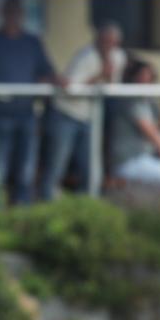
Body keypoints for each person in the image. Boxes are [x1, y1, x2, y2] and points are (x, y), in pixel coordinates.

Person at [0, 0, 58, 206]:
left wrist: (59, 81)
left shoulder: (33, 43)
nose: (13, 17)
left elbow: (46, 72)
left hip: (27, 114)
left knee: (26, 172)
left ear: (22, 16)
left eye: (17, 13)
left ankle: (23, 217)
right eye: (9, 13)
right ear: (3, 14)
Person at [41, 22, 127, 200]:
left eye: (112, 42)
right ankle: (48, 204)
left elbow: (111, 87)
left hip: (89, 117)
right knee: (57, 164)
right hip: (65, 114)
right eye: (105, 41)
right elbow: (70, 88)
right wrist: (99, 75)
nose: (108, 45)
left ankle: (86, 206)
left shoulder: (119, 57)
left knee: (89, 166)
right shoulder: (85, 56)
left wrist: (107, 73)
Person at [109, 60, 160, 191]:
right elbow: (154, 136)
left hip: (143, 158)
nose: (148, 80)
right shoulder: (131, 100)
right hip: (129, 161)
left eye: (150, 76)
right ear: (133, 77)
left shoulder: (148, 102)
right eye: (144, 76)